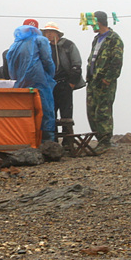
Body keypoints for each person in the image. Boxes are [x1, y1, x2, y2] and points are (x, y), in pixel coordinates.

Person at [6, 19, 57, 140]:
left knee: (25, 110)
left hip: (21, 82)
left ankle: (25, 138)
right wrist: (50, 74)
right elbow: (47, 60)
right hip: (39, 80)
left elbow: (11, 64)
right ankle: (47, 140)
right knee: (45, 108)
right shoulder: (40, 40)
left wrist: (17, 79)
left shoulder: (16, 44)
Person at [40, 22, 86, 144]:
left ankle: (67, 141)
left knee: (66, 113)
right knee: (51, 112)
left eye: (50, 32)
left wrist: (71, 83)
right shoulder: (46, 47)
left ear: (57, 33)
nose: (48, 34)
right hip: (51, 85)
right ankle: (53, 140)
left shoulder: (68, 45)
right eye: (46, 32)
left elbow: (77, 64)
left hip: (65, 83)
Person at [85, 11, 124, 154]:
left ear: (99, 22)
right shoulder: (96, 39)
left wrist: (108, 79)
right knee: (91, 112)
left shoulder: (114, 39)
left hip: (105, 82)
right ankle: (99, 138)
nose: (90, 26)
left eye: (92, 23)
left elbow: (117, 61)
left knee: (103, 111)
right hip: (92, 81)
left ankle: (105, 141)